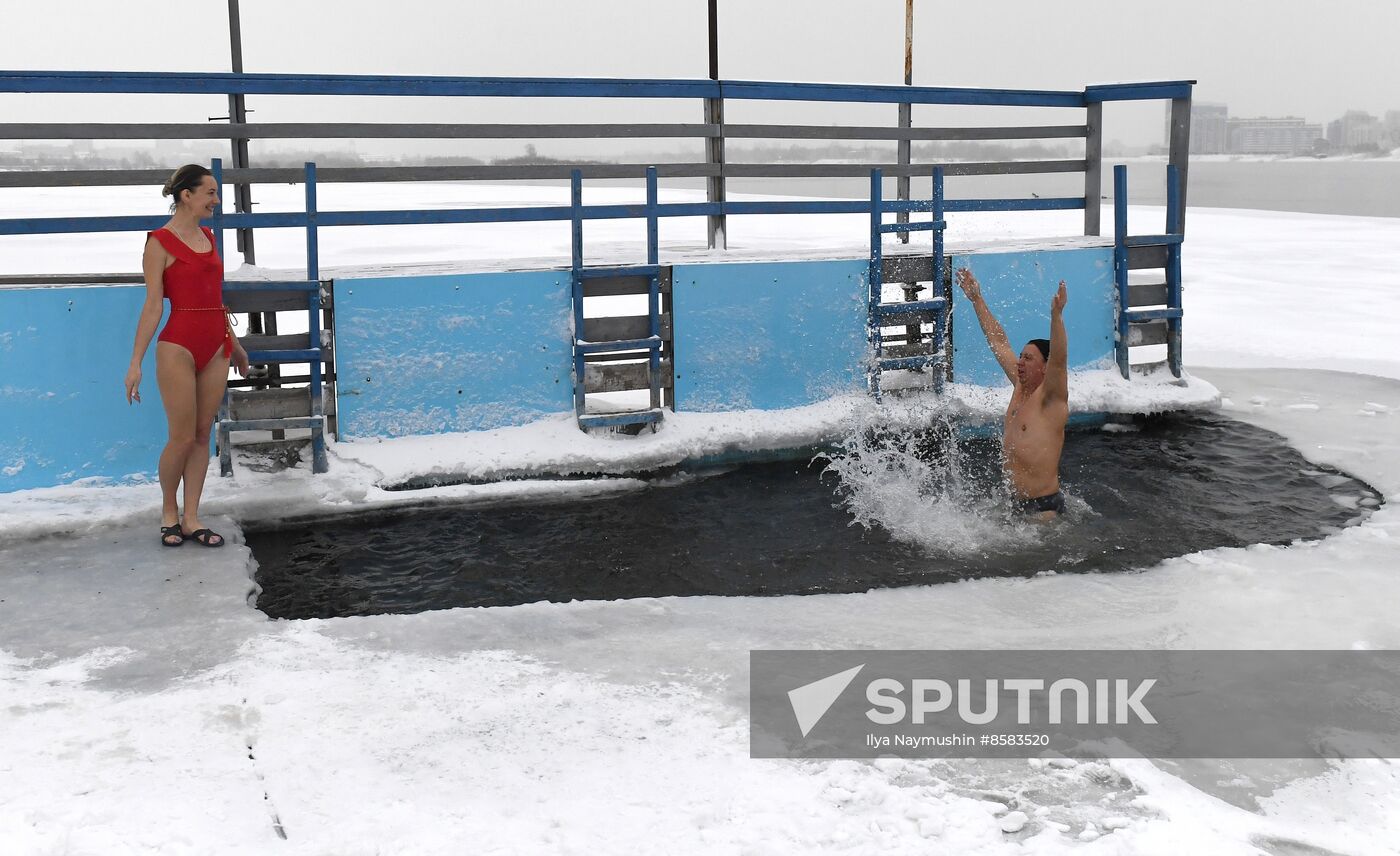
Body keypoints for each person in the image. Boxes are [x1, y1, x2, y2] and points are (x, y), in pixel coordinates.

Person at [124, 165, 249, 547]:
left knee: (201, 435)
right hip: (178, 344)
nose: (216, 199)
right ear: (186, 196)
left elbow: (216, 299)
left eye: (216, 192)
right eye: (210, 192)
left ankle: (192, 517)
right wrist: (135, 363)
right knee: (179, 438)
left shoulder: (209, 237)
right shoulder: (158, 242)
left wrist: (237, 346)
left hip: (216, 345)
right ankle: (168, 512)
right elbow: (151, 307)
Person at [955, 268, 1068, 521]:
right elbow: (998, 341)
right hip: (1015, 505)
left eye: (1028, 358)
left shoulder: (1051, 400)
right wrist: (977, 299)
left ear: (1045, 367)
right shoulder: (1020, 385)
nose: (1020, 362)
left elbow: (1060, 361)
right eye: (1021, 356)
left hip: (1043, 509)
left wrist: (1056, 317)